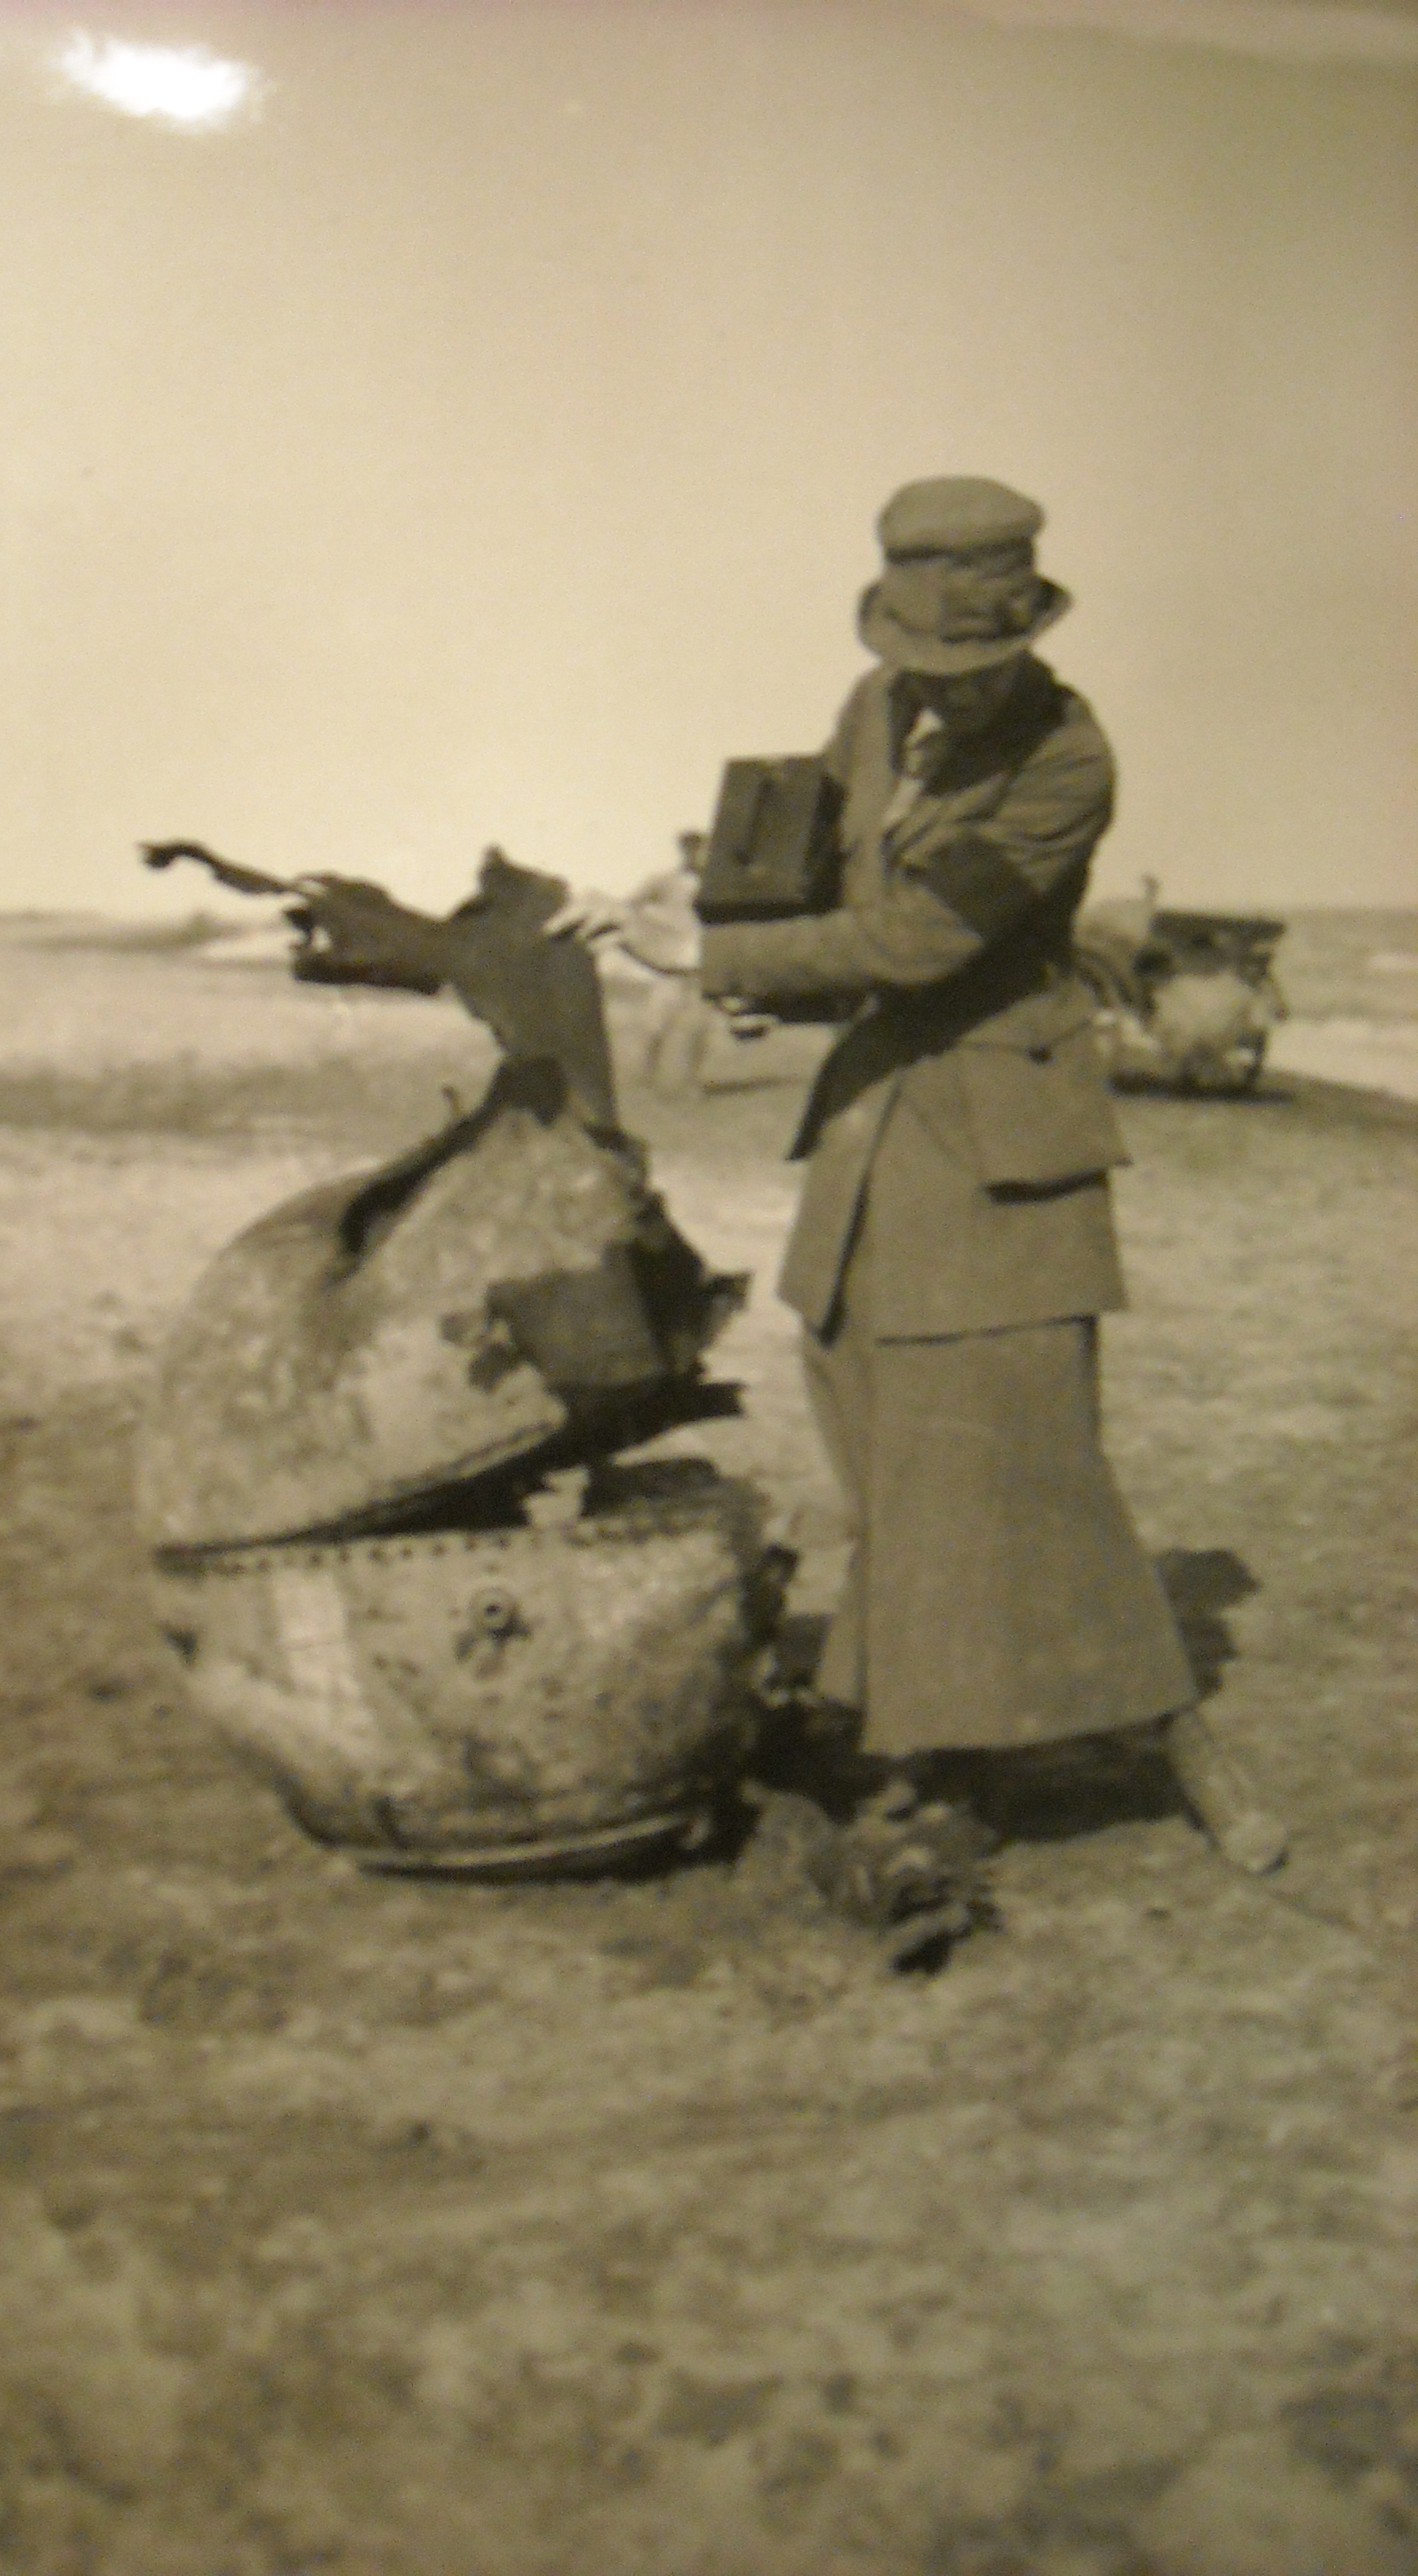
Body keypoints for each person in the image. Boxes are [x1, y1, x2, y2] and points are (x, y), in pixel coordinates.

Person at [553, 475, 1285, 1873]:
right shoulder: (872, 710)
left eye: (971, 660)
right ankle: (935, 1732)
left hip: (1005, 1148)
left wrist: (712, 964)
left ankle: (1172, 1745)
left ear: (1027, 627)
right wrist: (701, 935)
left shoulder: (1071, 760)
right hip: (877, 1127)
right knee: (879, 1429)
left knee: (1027, 1456)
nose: (939, 687)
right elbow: (830, 901)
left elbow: (916, 942)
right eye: (920, 656)